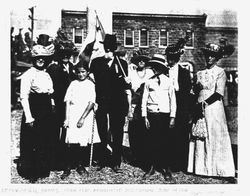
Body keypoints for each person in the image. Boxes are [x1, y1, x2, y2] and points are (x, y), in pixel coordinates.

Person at [187, 41, 236, 180]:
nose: (209, 58)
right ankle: (200, 167)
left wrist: (204, 103)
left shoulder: (220, 72)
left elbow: (219, 93)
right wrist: (194, 102)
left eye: (212, 56)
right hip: (199, 107)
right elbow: (194, 91)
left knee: (215, 133)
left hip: (213, 108)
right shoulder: (199, 73)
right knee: (200, 134)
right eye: (208, 55)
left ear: (217, 58)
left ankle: (218, 169)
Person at [90, 34, 131, 173]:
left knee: (117, 131)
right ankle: (103, 158)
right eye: (106, 48)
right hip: (101, 102)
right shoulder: (96, 63)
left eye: (110, 49)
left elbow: (126, 87)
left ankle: (116, 161)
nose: (108, 51)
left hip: (117, 103)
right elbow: (91, 81)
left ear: (114, 49)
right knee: (102, 130)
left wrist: (127, 83)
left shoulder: (122, 64)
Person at [16, 43, 55, 183]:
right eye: (38, 57)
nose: (40, 60)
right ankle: (30, 172)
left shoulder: (46, 73)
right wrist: (29, 117)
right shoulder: (29, 74)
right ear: (33, 58)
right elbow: (24, 97)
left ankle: (42, 169)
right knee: (32, 140)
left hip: (45, 109)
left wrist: (52, 106)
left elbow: (49, 94)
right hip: (34, 108)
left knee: (44, 139)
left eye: (43, 57)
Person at [60, 61, 100, 179]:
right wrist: (67, 118)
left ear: (88, 72)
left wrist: (82, 118)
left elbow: (91, 102)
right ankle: (67, 166)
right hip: (73, 113)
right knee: (71, 141)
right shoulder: (73, 84)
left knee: (83, 141)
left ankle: (80, 165)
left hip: (85, 115)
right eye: (79, 72)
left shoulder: (90, 84)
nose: (81, 74)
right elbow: (67, 101)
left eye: (83, 72)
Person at [141, 54, 176, 181]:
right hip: (152, 115)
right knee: (151, 141)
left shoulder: (168, 81)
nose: (155, 69)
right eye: (153, 67)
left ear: (162, 68)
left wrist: (172, 117)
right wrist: (144, 116)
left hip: (164, 115)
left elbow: (173, 100)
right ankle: (151, 167)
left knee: (164, 142)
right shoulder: (148, 82)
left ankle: (166, 168)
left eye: (157, 67)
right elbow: (144, 100)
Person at [165, 36, 193, 172]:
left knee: (181, 135)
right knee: (168, 134)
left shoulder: (184, 72)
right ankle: (168, 162)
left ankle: (181, 163)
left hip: (181, 106)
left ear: (177, 58)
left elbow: (187, 93)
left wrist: (187, 112)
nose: (169, 61)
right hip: (167, 104)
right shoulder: (164, 71)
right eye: (168, 57)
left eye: (172, 58)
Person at [47, 43, 76, 170]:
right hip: (58, 103)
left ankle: (67, 158)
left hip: (70, 104)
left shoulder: (73, 67)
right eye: (63, 53)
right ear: (59, 55)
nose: (65, 56)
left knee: (67, 130)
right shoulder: (54, 68)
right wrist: (52, 102)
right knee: (55, 130)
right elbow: (50, 88)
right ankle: (55, 160)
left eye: (68, 54)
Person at [127, 51, 154, 168]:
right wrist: (129, 109)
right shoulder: (131, 73)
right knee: (134, 130)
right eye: (139, 60)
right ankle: (135, 155)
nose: (141, 62)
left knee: (145, 130)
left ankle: (145, 156)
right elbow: (128, 91)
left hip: (146, 105)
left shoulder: (150, 72)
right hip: (134, 103)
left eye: (143, 60)